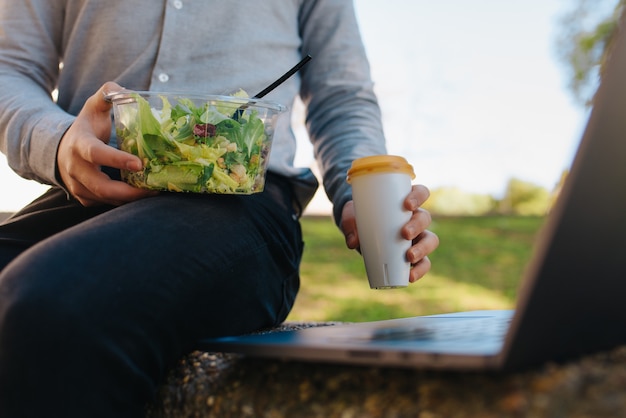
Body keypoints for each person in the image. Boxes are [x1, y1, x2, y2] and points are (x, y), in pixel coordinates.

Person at [0, 1, 439, 416]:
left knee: (55, 303)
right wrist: (57, 142)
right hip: (89, 185)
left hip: (241, 200)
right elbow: (10, 67)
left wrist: (359, 194)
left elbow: (340, 95)